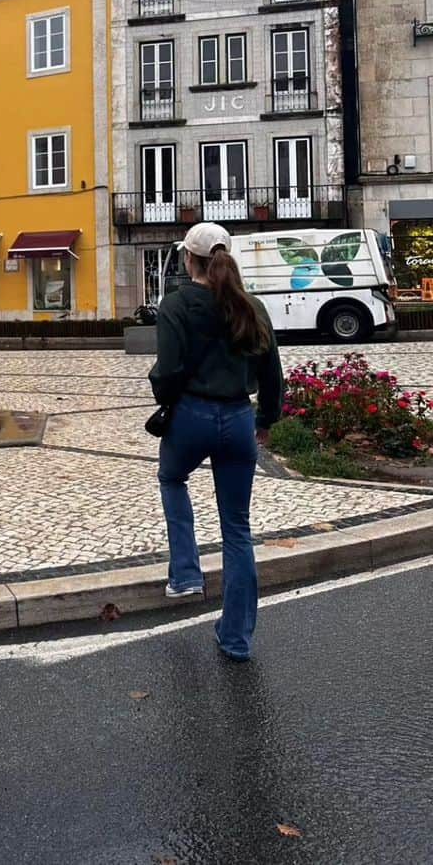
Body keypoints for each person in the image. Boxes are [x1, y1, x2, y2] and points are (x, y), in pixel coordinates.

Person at [148, 222, 284, 661]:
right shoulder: (252, 306)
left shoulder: (176, 304)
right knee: (237, 530)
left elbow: (167, 370)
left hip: (191, 414)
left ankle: (186, 573)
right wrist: (265, 419)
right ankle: (236, 639)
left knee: (172, 478)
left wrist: (166, 403)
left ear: (189, 259)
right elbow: (271, 373)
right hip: (239, 419)